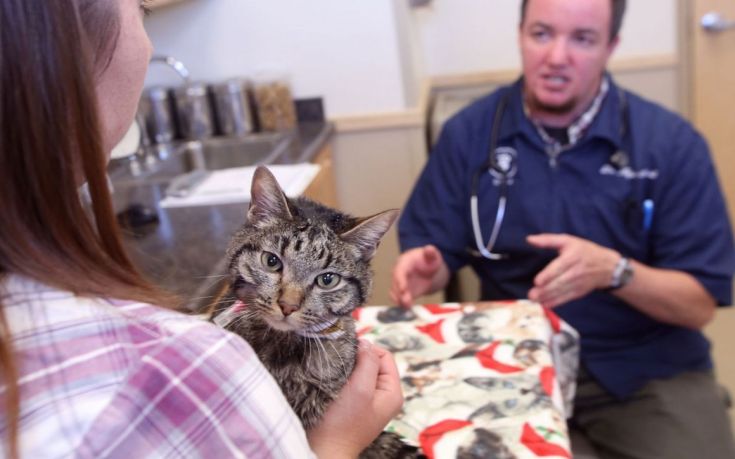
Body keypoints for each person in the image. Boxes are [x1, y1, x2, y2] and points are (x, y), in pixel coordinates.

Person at [0, 1, 402, 458]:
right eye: (141, 8)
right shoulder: (190, 364)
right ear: (64, 53)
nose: (290, 301)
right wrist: (339, 442)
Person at [391, 0, 735, 457]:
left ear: (611, 46)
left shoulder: (670, 145)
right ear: (520, 35)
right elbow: (436, 250)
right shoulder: (468, 135)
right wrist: (426, 268)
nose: (556, 57)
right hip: (513, 356)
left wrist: (615, 271)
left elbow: (697, 306)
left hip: (644, 364)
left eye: (582, 39)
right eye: (542, 34)